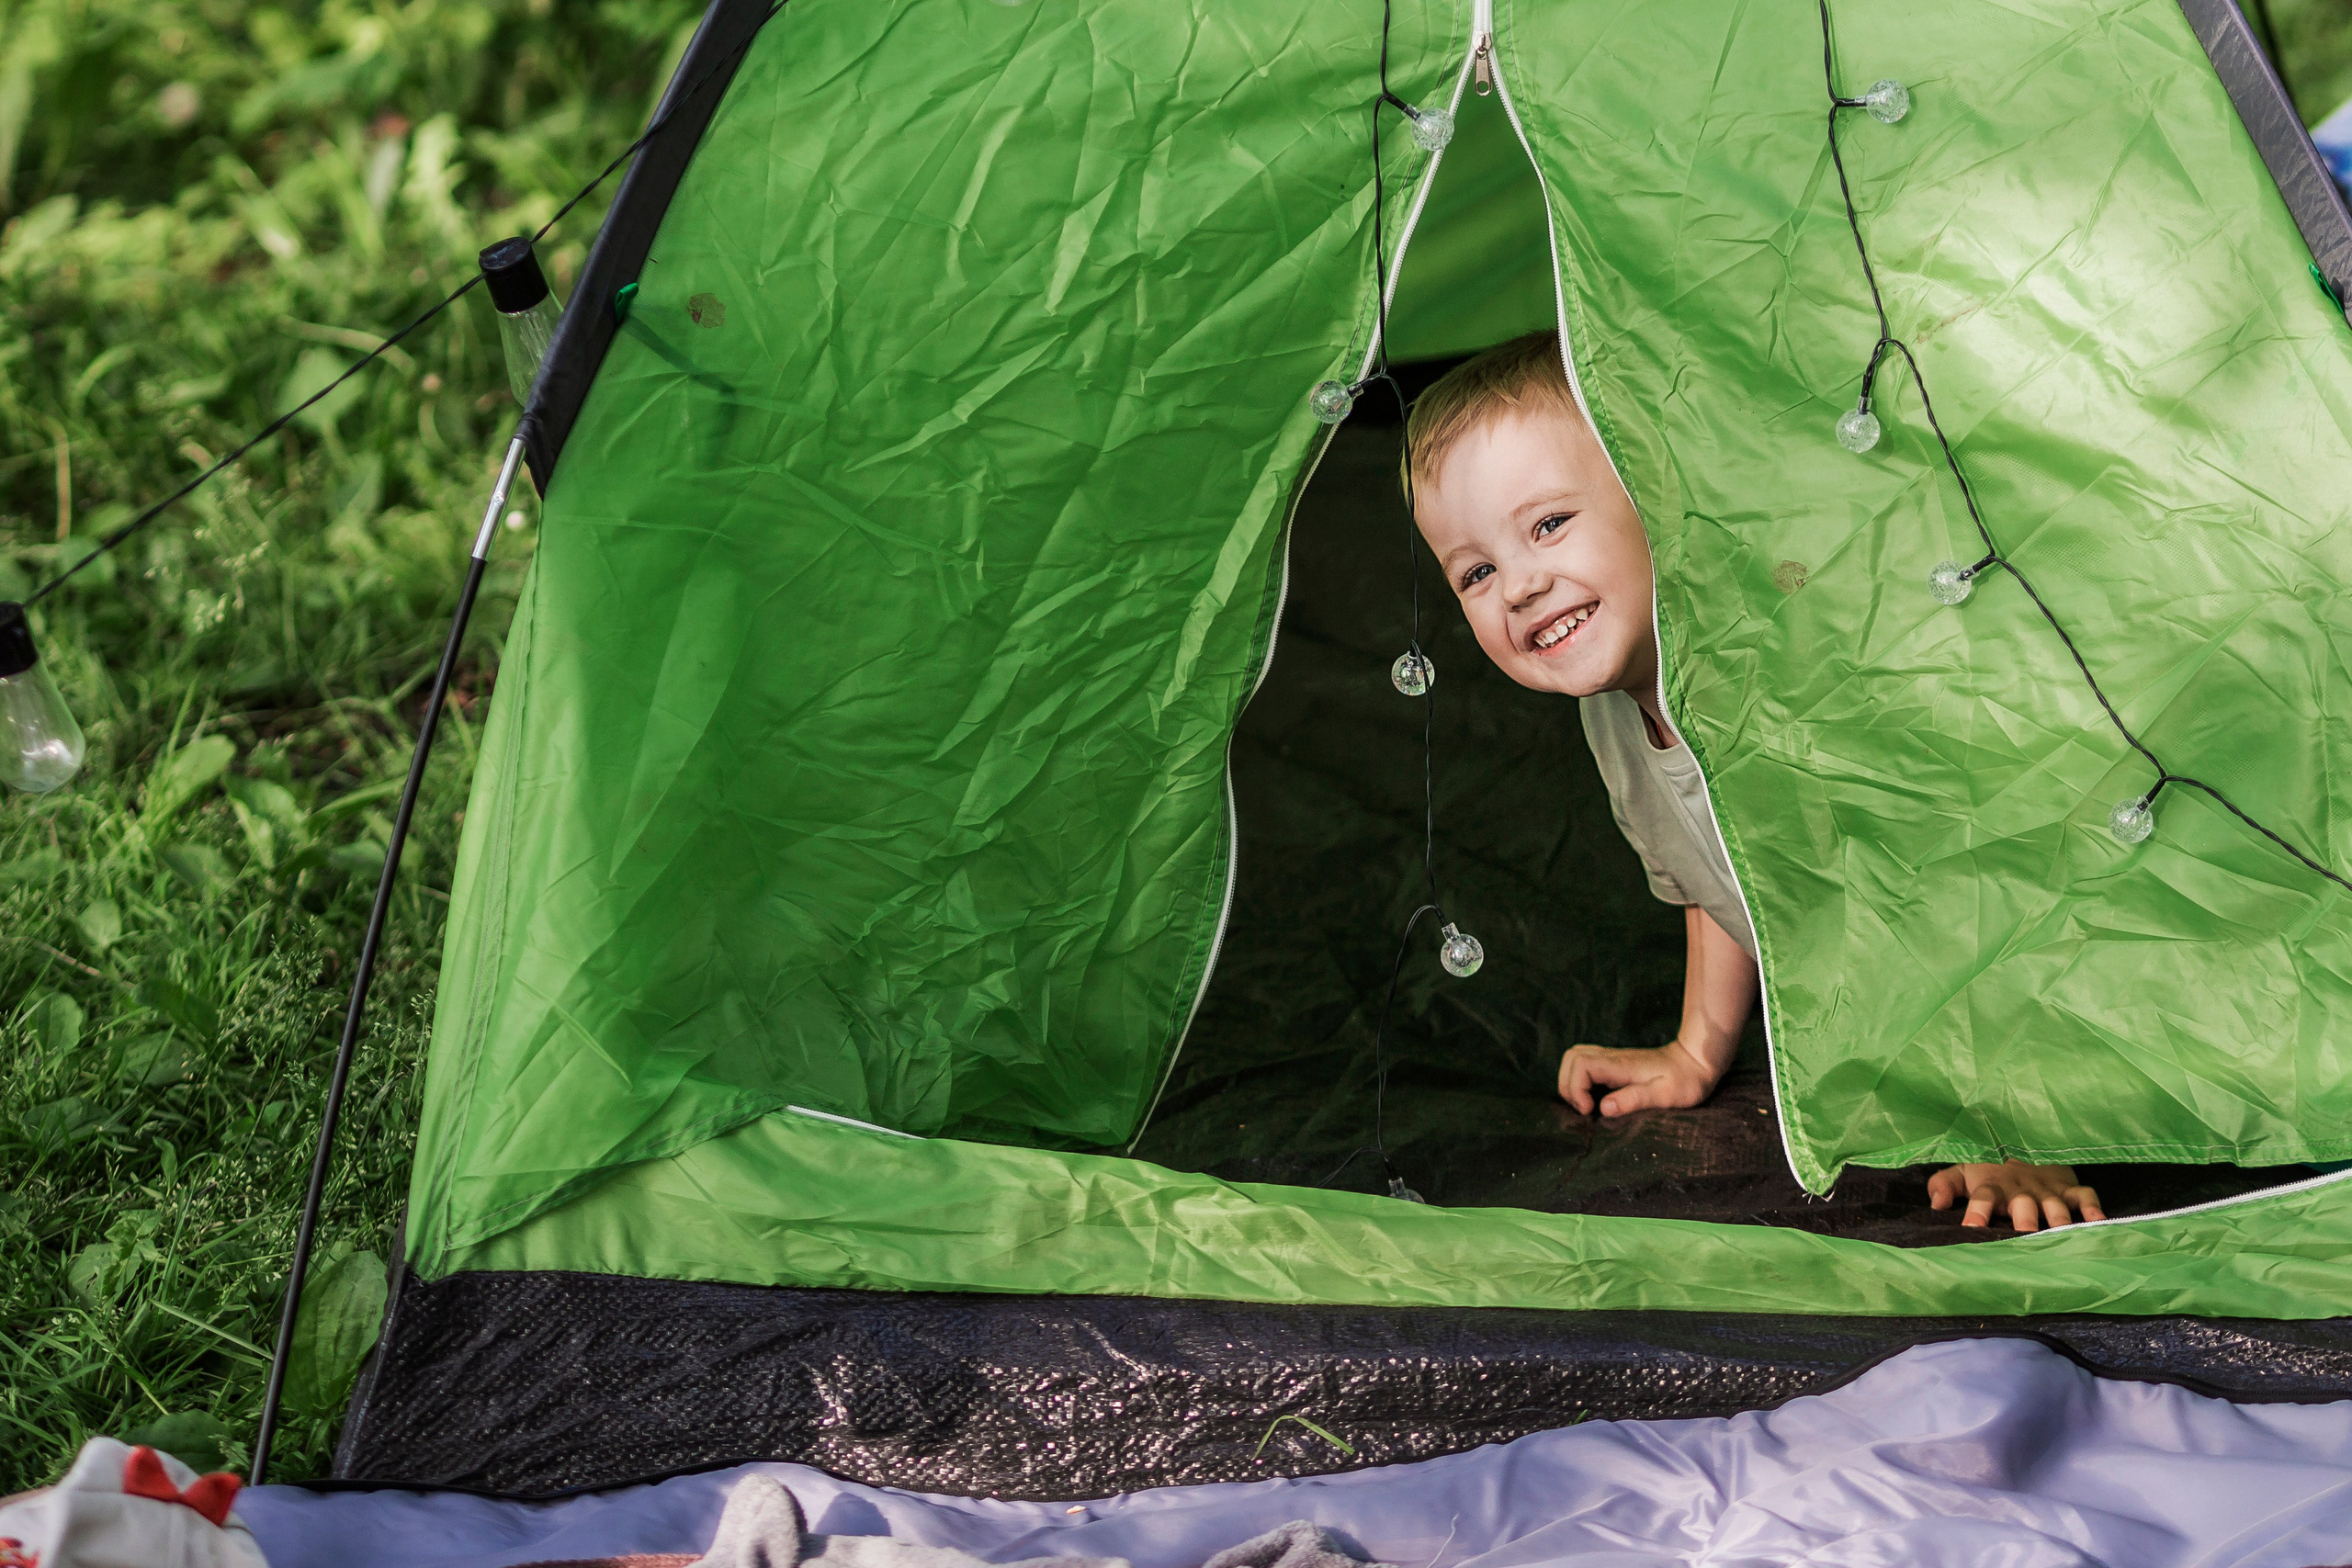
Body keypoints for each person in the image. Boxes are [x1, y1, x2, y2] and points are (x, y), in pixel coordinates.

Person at [1401, 333, 2104, 1232]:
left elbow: (1964, 893)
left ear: (1654, 499)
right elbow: (1714, 877)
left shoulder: (1784, 683)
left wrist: (2012, 1125)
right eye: (1475, 572)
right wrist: (1697, 1051)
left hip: (2052, 984)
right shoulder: (1611, 714)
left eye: (1547, 525)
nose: (1520, 586)